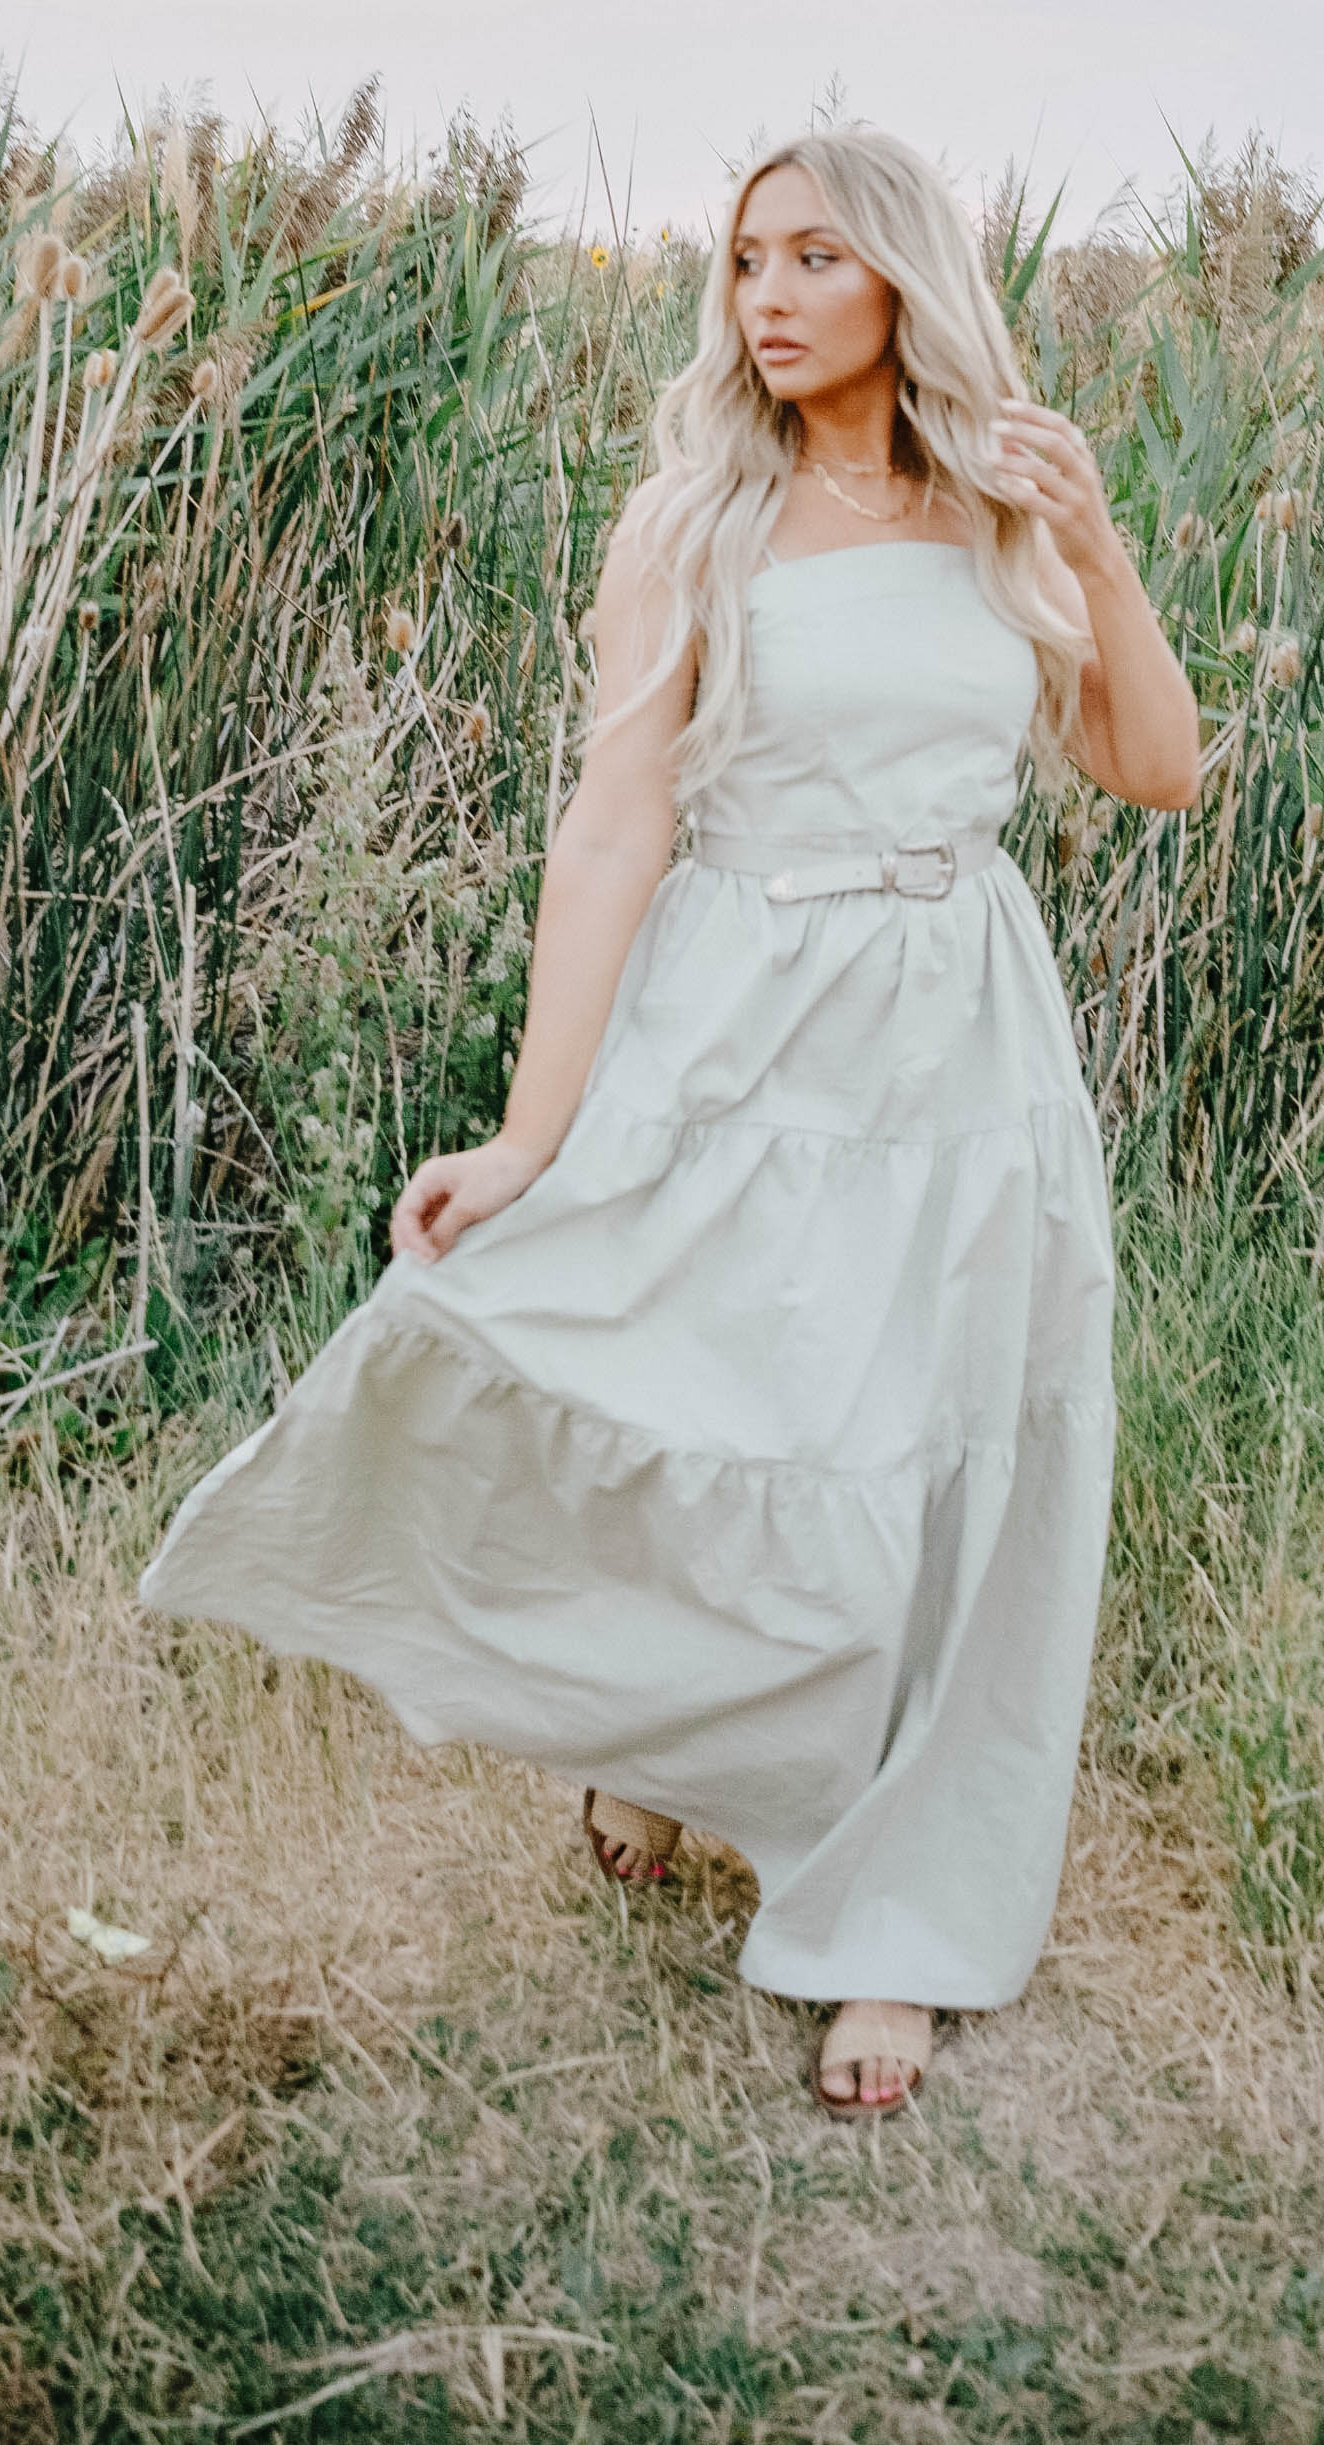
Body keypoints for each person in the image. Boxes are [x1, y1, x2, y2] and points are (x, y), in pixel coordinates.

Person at [140, 127, 1199, 2113]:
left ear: (904, 282)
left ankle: (895, 1924)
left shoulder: (1004, 514)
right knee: (734, 1416)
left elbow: (1155, 767)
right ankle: (681, 1741)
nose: (767, 299)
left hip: (963, 1042)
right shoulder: (694, 524)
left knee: (940, 1461)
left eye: (813, 257)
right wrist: (535, 1137)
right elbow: (618, 822)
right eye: (742, 262)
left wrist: (1106, 542)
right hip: (740, 1024)